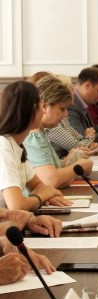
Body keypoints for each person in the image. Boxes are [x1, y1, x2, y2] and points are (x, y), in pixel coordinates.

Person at [0, 81, 71, 211]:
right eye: (41, 106)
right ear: (32, 110)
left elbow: (38, 185)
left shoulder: (16, 144)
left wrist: (46, 194)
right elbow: (17, 206)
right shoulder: (3, 146)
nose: (43, 111)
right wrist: (40, 197)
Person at [24, 75, 94, 188]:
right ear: (44, 106)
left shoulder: (41, 132)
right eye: (62, 109)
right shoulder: (33, 136)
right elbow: (50, 180)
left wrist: (69, 160)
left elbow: (48, 167)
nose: (66, 114)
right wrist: (80, 165)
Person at [46, 73, 98, 158]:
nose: (73, 93)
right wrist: (89, 137)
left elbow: (79, 138)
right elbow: (76, 146)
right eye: (71, 89)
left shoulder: (63, 116)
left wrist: (87, 142)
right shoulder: (52, 124)